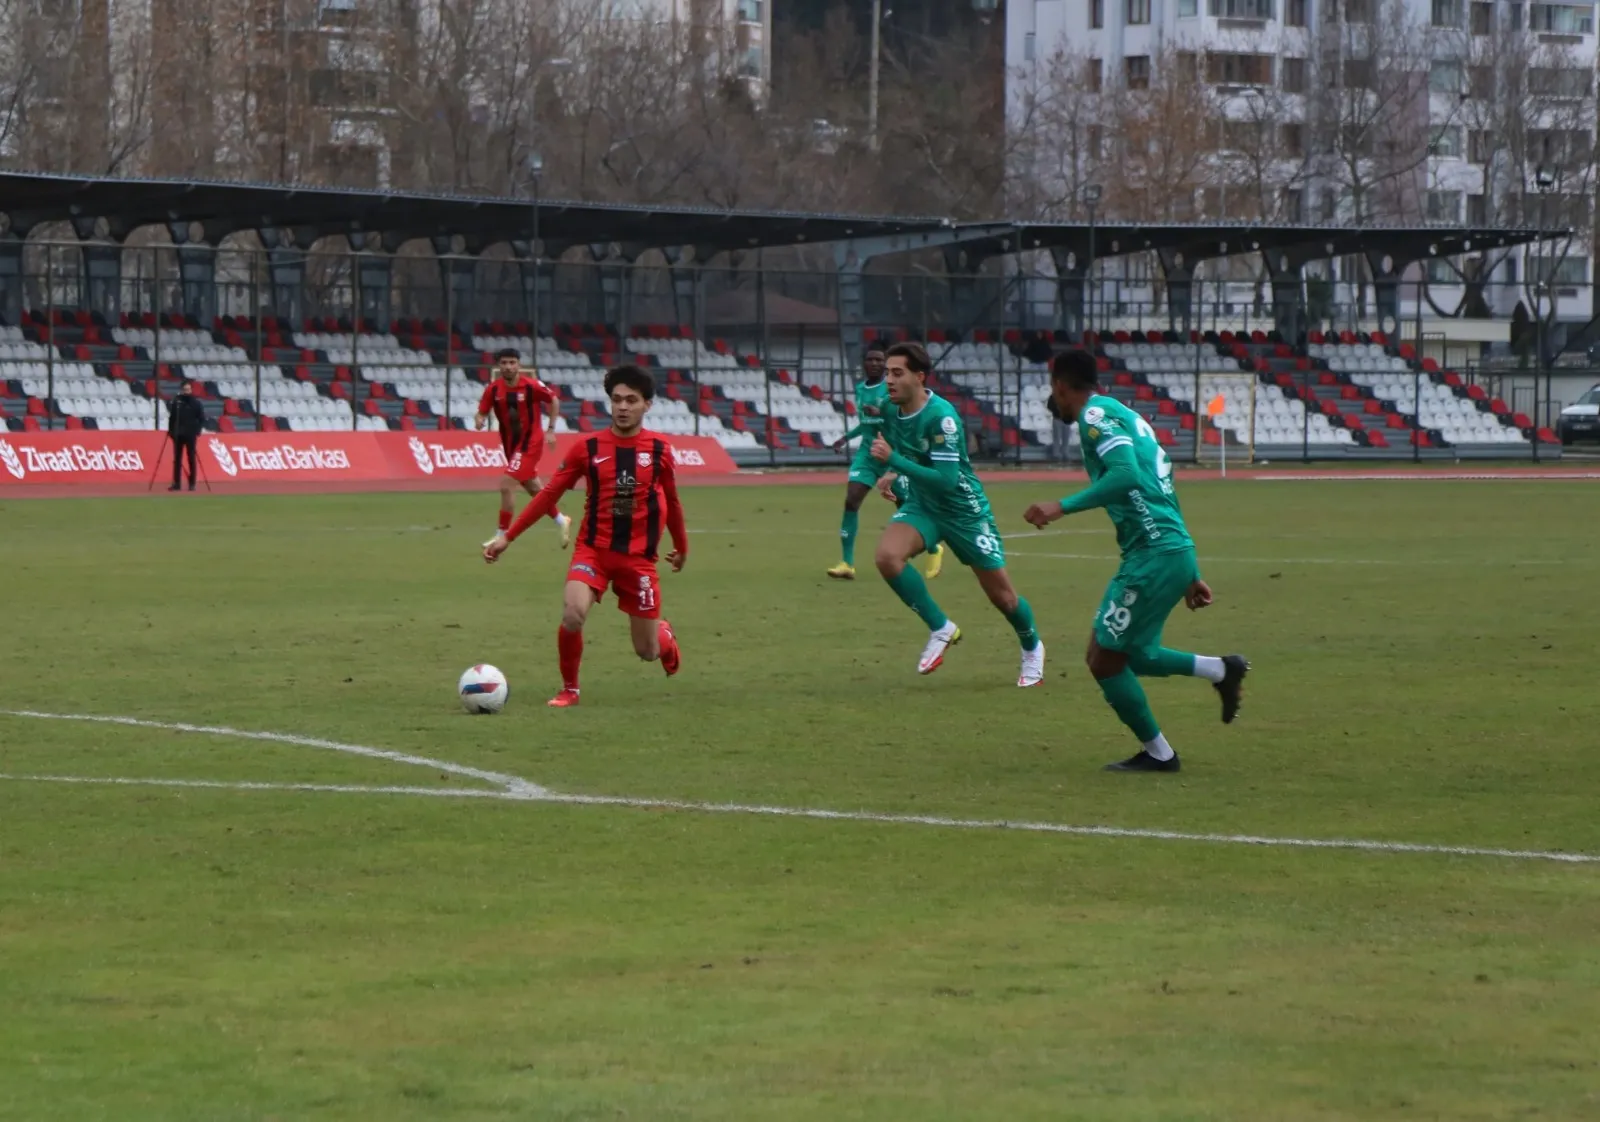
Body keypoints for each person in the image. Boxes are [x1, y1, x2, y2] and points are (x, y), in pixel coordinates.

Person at [1023, 349, 1248, 773]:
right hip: (1169, 550)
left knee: (1103, 659)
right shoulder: (1123, 415)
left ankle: (1160, 754)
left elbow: (1126, 476)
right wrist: (1191, 570)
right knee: (1134, 653)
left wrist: (1062, 506)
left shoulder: (1094, 416)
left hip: (1152, 553)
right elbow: (1160, 486)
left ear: (1059, 385)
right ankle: (1221, 670)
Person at [484, 364, 687, 708]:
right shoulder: (587, 448)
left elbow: (673, 500)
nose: (623, 406)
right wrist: (508, 537)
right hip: (592, 552)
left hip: (637, 561)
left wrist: (681, 547)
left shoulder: (659, 451)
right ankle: (570, 690)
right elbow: (548, 494)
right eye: (617, 399)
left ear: (647, 405)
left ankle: (663, 637)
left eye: (631, 400)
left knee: (647, 651)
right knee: (573, 614)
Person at [868, 341, 1045, 686]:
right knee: (887, 557)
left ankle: (1032, 647)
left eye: (897, 373)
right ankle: (941, 627)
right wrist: (898, 476)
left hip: (964, 511)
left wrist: (894, 462)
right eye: (887, 372)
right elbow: (916, 459)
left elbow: (948, 480)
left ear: (919, 377)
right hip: (924, 505)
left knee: (1004, 598)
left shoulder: (942, 417)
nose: (888, 379)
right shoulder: (891, 410)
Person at [827, 346, 944, 581]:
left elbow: (898, 421)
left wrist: (880, 412)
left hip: (893, 453)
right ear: (864, 363)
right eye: (870, 359)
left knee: (905, 507)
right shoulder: (861, 389)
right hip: (868, 454)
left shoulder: (893, 389)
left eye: (879, 360)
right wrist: (846, 438)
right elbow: (867, 422)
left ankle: (933, 547)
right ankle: (847, 563)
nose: (874, 363)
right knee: (851, 500)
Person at [476, 347, 571, 549]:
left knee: (506, 484)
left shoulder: (531, 386)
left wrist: (551, 429)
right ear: (498, 365)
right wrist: (480, 420)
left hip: (531, 442)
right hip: (511, 445)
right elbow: (482, 411)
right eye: (504, 363)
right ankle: (561, 520)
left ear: (519, 365)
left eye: (512, 362)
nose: (508, 367)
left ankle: (501, 534)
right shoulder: (493, 390)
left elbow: (553, 399)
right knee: (533, 488)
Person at [165, 380, 206, 492]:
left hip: (191, 434)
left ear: (191, 390)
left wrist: (198, 431)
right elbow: (172, 418)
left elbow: (201, 419)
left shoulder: (196, 403)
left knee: (191, 458)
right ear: (181, 390)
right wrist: (171, 431)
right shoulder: (177, 403)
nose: (187, 391)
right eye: (185, 389)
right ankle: (176, 483)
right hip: (178, 434)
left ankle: (192, 483)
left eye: (188, 389)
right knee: (177, 459)